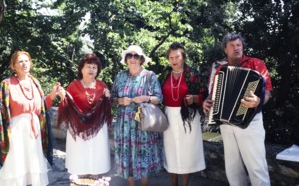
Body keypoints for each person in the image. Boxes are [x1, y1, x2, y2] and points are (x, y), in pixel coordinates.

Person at [0, 50, 65, 186]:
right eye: (20, 61)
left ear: (30, 63)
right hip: (16, 130)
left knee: (33, 165)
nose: (24, 64)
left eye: (26, 61)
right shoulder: (6, 84)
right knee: (16, 165)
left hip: (34, 132)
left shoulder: (35, 83)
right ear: (13, 66)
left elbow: (41, 108)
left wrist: (52, 95)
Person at [203, 33, 272, 186]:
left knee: (256, 165)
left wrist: (259, 101)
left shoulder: (256, 63)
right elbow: (214, 94)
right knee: (233, 166)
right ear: (225, 50)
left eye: (239, 45)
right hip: (226, 122)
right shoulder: (221, 69)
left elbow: (267, 90)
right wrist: (206, 102)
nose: (236, 48)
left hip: (250, 120)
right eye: (232, 46)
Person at [111, 45, 163, 186]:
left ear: (141, 59)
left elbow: (159, 98)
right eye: (129, 55)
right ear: (126, 59)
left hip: (143, 124)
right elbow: (112, 97)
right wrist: (120, 100)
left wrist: (145, 98)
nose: (132, 59)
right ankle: (131, 184)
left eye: (136, 56)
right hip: (124, 125)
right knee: (127, 154)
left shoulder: (149, 76)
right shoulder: (120, 76)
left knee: (144, 154)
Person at [160, 42, 208, 186]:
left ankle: (184, 184)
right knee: (171, 151)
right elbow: (156, 94)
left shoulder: (193, 74)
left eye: (177, 57)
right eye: (171, 57)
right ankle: (173, 183)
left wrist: (194, 98)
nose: (174, 60)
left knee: (187, 151)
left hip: (189, 117)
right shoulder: (164, 74)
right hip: (169, 116)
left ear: (183, 57)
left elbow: (206, 95)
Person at [57, 53, 112, 180]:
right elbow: (67, 105)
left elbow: (107, 108)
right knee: (80, 157)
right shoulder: (73, 85)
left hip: (97, 129)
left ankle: (95, 179)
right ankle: (80, 180)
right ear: (81, 69)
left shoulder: (102, 86)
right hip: (78, 128)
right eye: (88, 66)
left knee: (96, 156)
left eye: (94, 67)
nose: (91, 69)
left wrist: (108, 98)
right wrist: (62, 96)